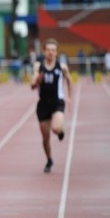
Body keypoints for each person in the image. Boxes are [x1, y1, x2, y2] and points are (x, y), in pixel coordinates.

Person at [30, 39, 72, 173]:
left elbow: (70, 80)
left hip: (57, 103)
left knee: (55, 128)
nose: (50, 53)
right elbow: (32, 85)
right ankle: (49, 159)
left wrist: (69, 97)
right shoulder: (38, 66)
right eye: (48, 50)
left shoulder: (62, 67)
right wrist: (37, 80)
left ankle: (60, 131)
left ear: (56, 52)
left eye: (53, 50)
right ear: (44, 51)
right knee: (45, 137)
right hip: (43, 105)